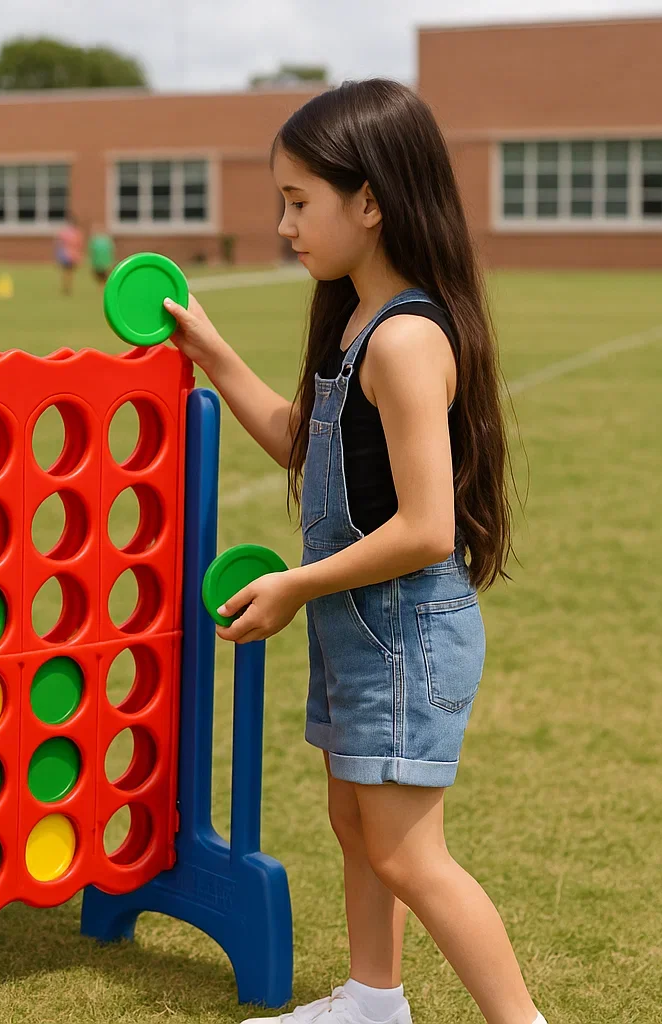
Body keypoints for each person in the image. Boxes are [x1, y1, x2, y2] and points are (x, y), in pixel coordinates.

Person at [162, 80, 544, 1024]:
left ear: (369, 201)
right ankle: (374, 1003)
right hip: (361, 629)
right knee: (355, 826)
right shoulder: (355, 323)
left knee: (411, 856)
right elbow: (305, 440)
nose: (284, 223)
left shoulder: (408, 339)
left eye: (299, 201)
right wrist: (211, 351)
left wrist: (294, 585)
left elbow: (425, 530)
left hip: (404, 632)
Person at [54, 213, 84, 296]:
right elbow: (79, 245)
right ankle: (67, 287)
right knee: (68, 272)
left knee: (67, 272)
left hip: (67, 254)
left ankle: (66, 287)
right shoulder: (76, 232)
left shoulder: (64, 232)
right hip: (70, 255)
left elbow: (59, 244)